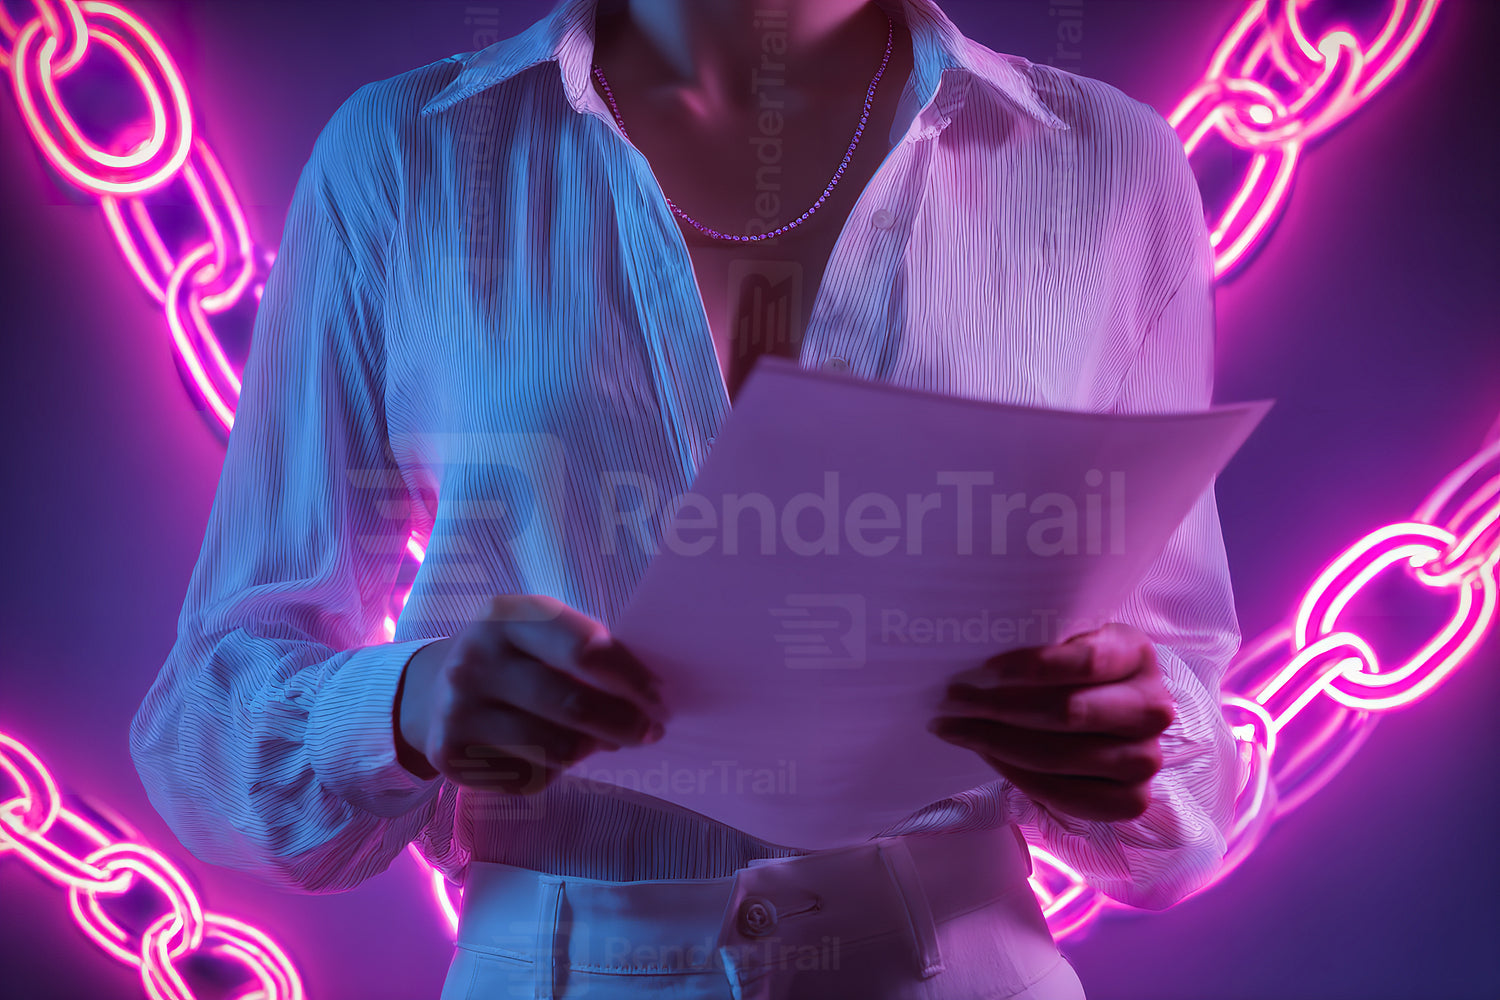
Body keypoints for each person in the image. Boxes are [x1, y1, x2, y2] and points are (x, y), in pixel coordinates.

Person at [129, 0, 1243, 996]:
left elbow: (1186, 764)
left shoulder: (1106, 163)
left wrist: (1130, 746)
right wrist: (411, 704)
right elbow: (204, 723)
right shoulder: (402, 158)